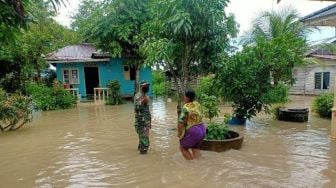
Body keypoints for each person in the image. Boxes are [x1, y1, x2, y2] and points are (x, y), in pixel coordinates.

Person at [178, 89, 206, 160]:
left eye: (184, 96)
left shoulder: (185, 107)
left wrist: (179, 133)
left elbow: (181, 122)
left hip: (194, 131)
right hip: (202, 129)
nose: (184, 97)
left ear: (187, 97)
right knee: (195, 148)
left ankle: (191, 167)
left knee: (182, 148)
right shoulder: (197, 104)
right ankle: (199, 166)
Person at [134, 80, 151, 154]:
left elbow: (147, 110)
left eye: (147, 86)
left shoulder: (146, 96)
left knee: (143, 137)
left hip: (146, 120)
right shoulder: (138, 96)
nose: (147, 87)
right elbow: (136, 108)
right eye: (145, 86)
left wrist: (150, 122)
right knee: (144, 138)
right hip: (141, 121)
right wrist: (142, 101)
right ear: (141, 87)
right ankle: (143, 152)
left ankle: (141, 148)